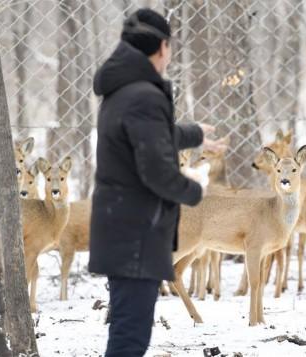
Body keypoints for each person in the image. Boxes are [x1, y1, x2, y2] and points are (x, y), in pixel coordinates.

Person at [89, 8, 225, 357]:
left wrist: (193, 135)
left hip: (121, 226)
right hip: (137, 233)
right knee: (130, 339)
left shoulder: (123, 91)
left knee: (126, 331)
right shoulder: (144, 97)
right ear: (162, 47)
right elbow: (157, 172)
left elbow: (147, 137)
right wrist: (197, 190)